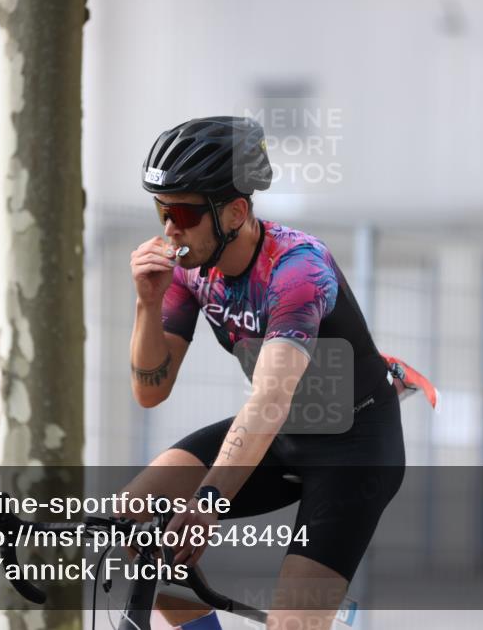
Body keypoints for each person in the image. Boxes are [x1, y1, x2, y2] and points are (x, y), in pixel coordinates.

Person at [127, 116, 427, 630]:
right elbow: (150, 391)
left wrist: (208, 502)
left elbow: (269, 399)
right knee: (135, 519)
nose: (169, 229)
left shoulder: (297, 269)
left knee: (291, 624)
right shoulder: (190, 270)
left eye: (183, 212)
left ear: (235, 212)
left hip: (353, 447)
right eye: (162, 210)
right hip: (285, 433)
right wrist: (147, 305)